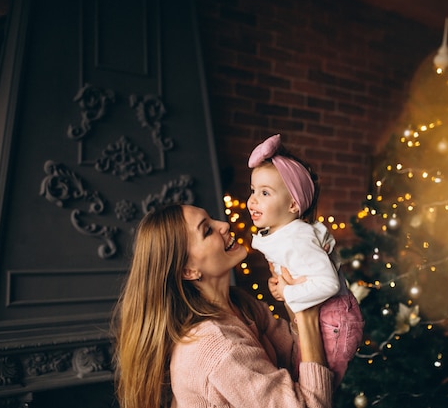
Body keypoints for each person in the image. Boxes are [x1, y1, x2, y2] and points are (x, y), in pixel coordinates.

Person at [112, 203, 333, 408]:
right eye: (207, 230)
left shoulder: (241, 304)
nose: (224, 225)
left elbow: (296, 356)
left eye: (212, 219)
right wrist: (306, 312)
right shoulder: (218, 346)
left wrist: (296, 290)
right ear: (188, 271)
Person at [247, 133, 364, 386]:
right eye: (253, 190)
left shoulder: (297, 237)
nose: (253, 200)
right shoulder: (283, 232)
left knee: (317, 386)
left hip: (334, 322)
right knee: (307, 378)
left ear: (292, 205)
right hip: (323, 319)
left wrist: (289, 292)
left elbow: (328, 284)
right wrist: (281, 286)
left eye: (265, 193)